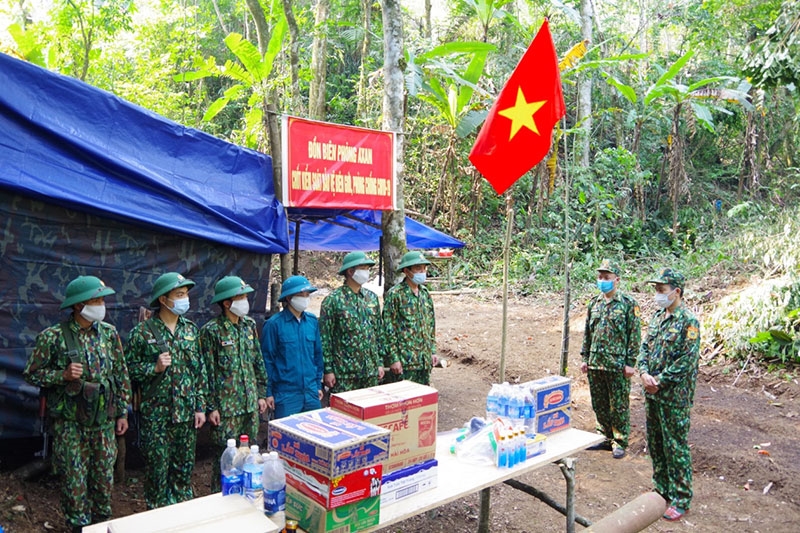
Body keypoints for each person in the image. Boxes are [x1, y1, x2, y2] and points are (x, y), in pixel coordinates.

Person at [23, 275, 131, 533]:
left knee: (104, 482)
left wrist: (122, 412)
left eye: (102, 299)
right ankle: (78, 528)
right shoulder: (53, 337)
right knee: (74, 484)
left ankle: (101, 526)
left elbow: (120, 374)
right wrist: (62, 375)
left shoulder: (108, 333)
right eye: (96, 300)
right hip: (71, 426)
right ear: (78, 305)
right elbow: (32, 373)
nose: (101, 305)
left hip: (104, 423)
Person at [125, 272, 207, 509]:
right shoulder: (142, 333)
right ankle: (157, 518)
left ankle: (181, 518)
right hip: (156, 418)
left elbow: (198, 372)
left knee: (183, 473)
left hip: (185, 416)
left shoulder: (191, 330)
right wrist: (154, 367)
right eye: (179, 295)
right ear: (163, 299)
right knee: (157, 476)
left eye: (186, 295)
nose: (185, 299)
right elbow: (127, 372)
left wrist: (200, 407)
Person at [637, 268, 700, 522]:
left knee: (675, 446)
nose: (657, 294)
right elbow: (644, 348)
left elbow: (687, 360)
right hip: (652, 394)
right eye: (656, 290)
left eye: (662, 290)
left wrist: (660, 381)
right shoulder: (657, 317)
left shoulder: (688, 322)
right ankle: (662, 490)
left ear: (677, 292)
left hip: (673, 397)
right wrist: (643, 372)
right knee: (656, 443)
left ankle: (681, 498)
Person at [199, 275, 268, 492]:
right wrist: (211, 407)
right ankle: (219, 498)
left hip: (249, 407)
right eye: (241, 297)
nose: (245, 301)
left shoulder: (248, 326)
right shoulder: (211, 331)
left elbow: (257, 362)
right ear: (226, 302)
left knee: (248, 457)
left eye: (246, 296)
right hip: (226, 411)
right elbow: (206, 372)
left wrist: (261, 394)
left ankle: (244, 495)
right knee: (226, 460)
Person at [580, 260, 641, 459]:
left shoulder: (628, 304)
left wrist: (631, 362)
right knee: (599, 402)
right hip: (596, 362)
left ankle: (619, 440)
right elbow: (588, 333)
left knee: (619, 404)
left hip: (617, 365)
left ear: (617, 280)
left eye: (607, 277)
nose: (602, 281)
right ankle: (603, 437)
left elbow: (634, 334)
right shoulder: (594, 303)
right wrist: (585, 357)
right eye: (600, 277)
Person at [320, 252, 384, 394]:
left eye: (368, 268)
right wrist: (328, 370)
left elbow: (378, 333)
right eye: (363, 268)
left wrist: (379, 363)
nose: (367, 272)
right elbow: (325, 339)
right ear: (350, 271)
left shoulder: (371, 298)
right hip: (344, 374)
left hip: (370, 372)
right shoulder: (333, 300)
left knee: (370, 413)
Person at [261, 275, 324, 418]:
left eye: (307, 294)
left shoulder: (312, 322)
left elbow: (317, 355)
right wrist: (268, 392)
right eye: (301, 295)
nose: (305, 298)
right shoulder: (274, 325)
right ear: (289, 298)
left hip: (310, 391)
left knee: (315, 433)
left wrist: (317, 385)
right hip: (286, 394)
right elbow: (267, 361)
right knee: (287, 436)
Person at [382, 251, 438, 386]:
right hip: (405, 362)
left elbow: (430, 325)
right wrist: (393, 359)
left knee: (422, 401)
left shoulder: (425, 294)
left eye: (424, 268)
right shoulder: (395, 294)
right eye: (418, 268)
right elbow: (387, 329)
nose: (422, 272)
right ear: (407, 271)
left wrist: (432, 351)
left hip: (423, 361)